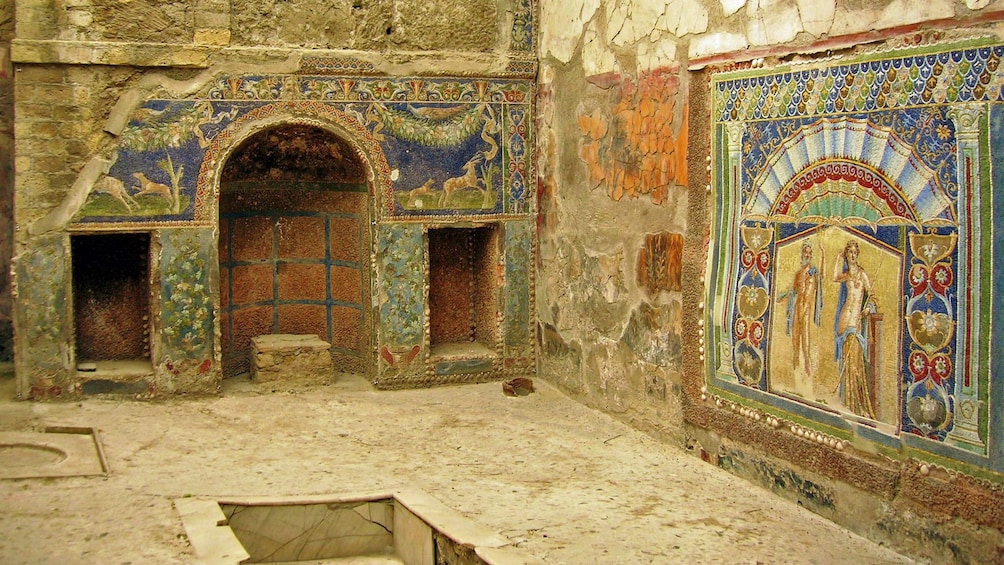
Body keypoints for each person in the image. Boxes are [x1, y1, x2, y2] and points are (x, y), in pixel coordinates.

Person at [832, 240, 877, 419]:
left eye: (854, 252)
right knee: (846, 360)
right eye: (848, 252)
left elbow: (872, 297)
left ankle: (857, 402)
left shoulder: (862, 274)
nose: (851, 255)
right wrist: (837, 258)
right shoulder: (846, 275)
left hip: (855, 320)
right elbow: (834, 277)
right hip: (844, 319)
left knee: (856, 362)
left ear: (857, 254)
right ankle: (847, 401)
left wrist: (868, 309)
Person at [777, 241, 823, 385]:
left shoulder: (813, 272)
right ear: (802, 254)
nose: (807, 255)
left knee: (806, 346)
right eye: (805, 253)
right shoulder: (798, 274)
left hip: (806, 310)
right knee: (795, 345)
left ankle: (809, 378)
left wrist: (824, 255)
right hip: (797, 308)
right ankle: (796, 376)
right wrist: (782, 297)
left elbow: (822, 278)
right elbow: (794, 291)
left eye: (809, 253)